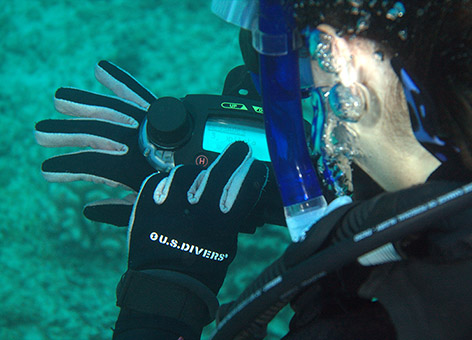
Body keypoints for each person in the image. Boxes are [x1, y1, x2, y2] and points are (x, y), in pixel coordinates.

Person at [35, 0, 472, 339]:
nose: (312, 100)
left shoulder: (404, 316)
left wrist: (164, 300)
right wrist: (284, 191)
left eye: (317, 78)